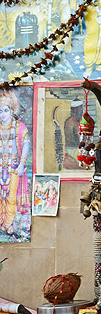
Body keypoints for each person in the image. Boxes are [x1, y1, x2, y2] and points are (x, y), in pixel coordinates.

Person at [0, 92, 31, 235]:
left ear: (12, 111)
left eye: (6, 110)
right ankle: (2, 221)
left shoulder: (19, 126)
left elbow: (26, 144)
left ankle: (9, 223)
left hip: (13, 166)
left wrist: (22, 163)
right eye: (0, 111)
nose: (3, 114)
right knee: (0, 198)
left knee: (11, 197)